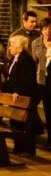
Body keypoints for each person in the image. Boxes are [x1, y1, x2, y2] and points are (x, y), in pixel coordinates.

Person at [0, 35, 38, 157]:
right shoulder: (15, 58)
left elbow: (28, 81)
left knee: (24, 123)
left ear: (19, 47)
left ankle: (28, 150)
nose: (9, 48)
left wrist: (18, 92)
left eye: (12, 45)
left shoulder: (26, 60)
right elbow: (10, 79)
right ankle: (18, 147)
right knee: (15, 122)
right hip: (15, 98)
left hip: (24, 97)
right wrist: (0, 89)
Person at [32, 17, 51, 146]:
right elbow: (34, 62)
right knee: (47, 110)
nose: (48, 31)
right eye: (45, 29)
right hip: (41, 80)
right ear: (41, 30)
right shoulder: (36, 43)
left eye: (50, 29)